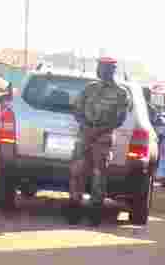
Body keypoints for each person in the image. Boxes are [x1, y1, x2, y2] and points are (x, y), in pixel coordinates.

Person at [67, 57, 131, 226]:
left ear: (110, 70)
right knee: (77, 172)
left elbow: (120, 119)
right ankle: (74, 209)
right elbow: (77, 110)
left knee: (99, 176)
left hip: (103, 137)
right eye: (99, 66)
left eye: (102, 67)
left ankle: (95, 212)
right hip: (85, 135)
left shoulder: (121, 92)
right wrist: (86, 127)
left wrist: (98, 131)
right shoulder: (90, 88)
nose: (99, 70)